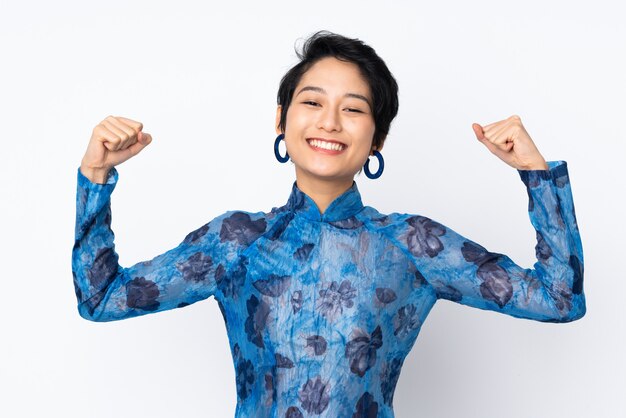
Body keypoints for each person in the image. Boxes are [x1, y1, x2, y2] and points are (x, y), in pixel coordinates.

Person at [72, 30, 585, 417]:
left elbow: (558, 299)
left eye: (354, 109)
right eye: (312, 102)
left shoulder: (411, 243)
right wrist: (96, 175)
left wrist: (537, 177)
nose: (330, 122)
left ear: (377, 138)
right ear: (281, 120)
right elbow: (100, 299)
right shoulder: (237, 241)